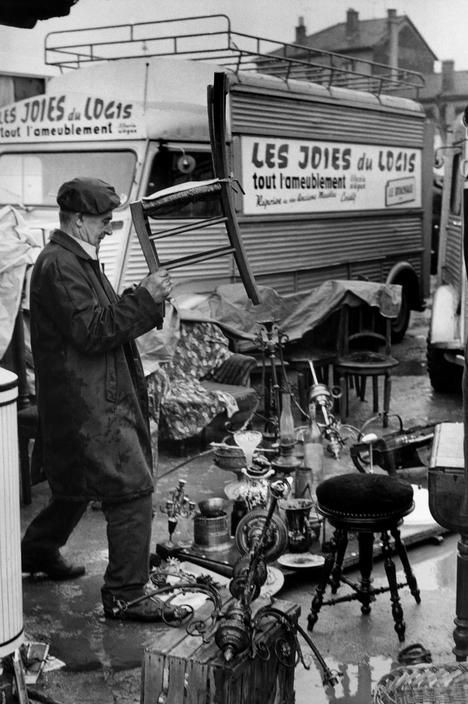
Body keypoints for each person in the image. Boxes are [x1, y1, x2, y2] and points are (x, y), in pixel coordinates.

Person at [21, 176, 174, 622]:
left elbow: (98, 317)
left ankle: (37, 552)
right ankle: (126, 593)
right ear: (80, 220)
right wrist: (145, 299)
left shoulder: (77, 259)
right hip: (87, 407)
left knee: (72, 489)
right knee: (132, 490)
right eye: (105, 221)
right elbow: (92, 332)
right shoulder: (60, 265)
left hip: (85, 400)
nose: (109, 228)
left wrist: (140, 297)